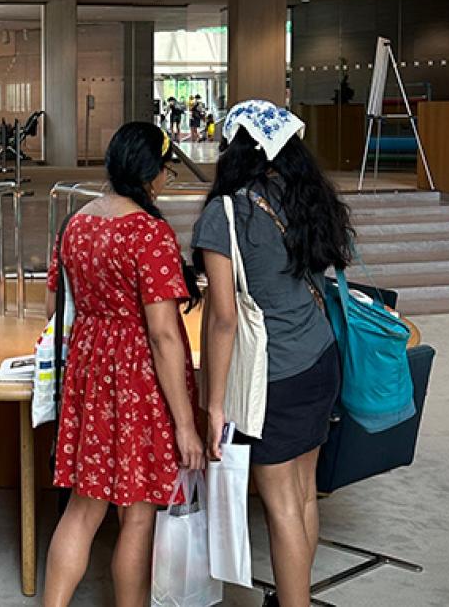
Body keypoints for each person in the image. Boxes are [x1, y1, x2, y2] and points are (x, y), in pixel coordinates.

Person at [191, 99, 354, 607]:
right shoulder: (304, 197)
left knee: (281, 505)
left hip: (274, 378)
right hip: (319, 360)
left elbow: (222, 319)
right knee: (303, 494)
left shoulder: (227, 213)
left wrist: (213, 403)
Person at [43, 122, 205, 607]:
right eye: (166, 170)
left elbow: (54, 302)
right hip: (137, 380)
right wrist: (184, 426)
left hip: (89, 368)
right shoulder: (148, 233)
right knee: (137, 514)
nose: (166, 179)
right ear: (150, 170)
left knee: (82, 508)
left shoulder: (76, 223)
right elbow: (161, 333)